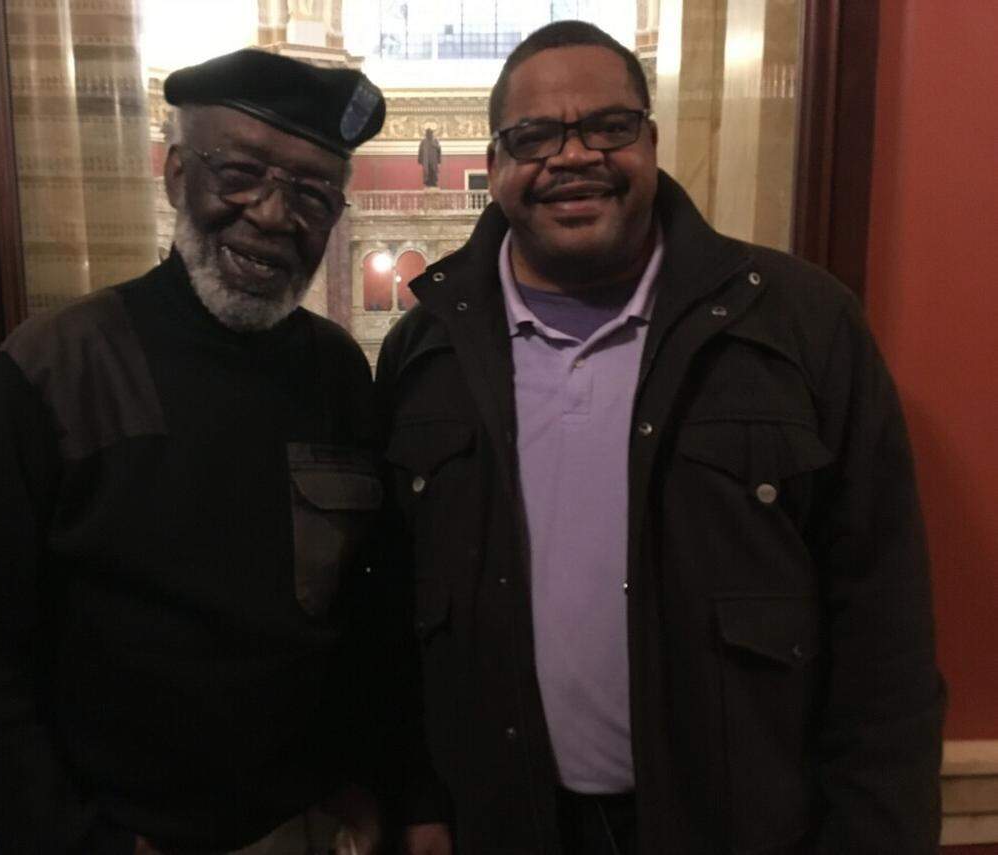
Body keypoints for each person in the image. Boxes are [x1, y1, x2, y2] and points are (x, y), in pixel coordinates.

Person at [383, 20, 944, 855]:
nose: (572, 157)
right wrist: (416, 800)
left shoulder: (801, 324)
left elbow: (883, 628)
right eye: (534, 136)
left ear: (651, 139)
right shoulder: (426, 352)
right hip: (504, 825)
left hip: (737, 829)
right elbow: (395, 609)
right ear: (495, 164)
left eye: (608, 127)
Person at [0, 49, 397, 855]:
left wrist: (373, 784)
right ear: (174, 174)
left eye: (311, 193)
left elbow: (368, 620)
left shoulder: (337, 371)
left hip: (309, 829)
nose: (272, 215)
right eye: (239, 172)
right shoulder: (60, 365)